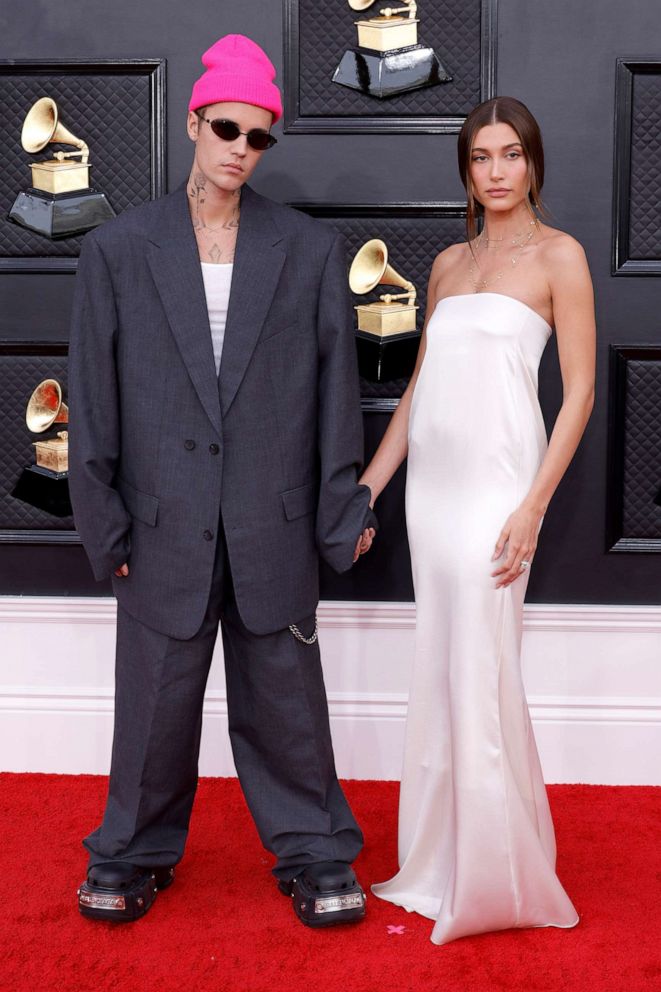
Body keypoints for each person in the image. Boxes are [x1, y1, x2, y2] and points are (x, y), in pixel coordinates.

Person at [68, 33, 376, 927]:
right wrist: (107, 528)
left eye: (260, 136)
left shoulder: (309, 251)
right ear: (195, 124)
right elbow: (92, 399)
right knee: (154, 714)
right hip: (158, 524)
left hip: (272, 523)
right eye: (229, 128)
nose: (242, 147)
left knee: (286, 709)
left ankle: (316, 854)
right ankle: (129, 854)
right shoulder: (121, 251)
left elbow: (333, 402)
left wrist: (333, 517)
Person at [362, 96, 595, 945]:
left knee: (482, 667)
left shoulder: (559, 257)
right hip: (433, 491)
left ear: (532, 162)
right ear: (465, 170)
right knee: (440, 667)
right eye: (480, 158)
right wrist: (371, 491)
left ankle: (495, 881)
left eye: (510, 155)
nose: (495, 172)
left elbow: (578, 393)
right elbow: (418, 389)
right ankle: (437, 862)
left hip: (501, 486)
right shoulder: (447, 265)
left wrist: (532, 504)